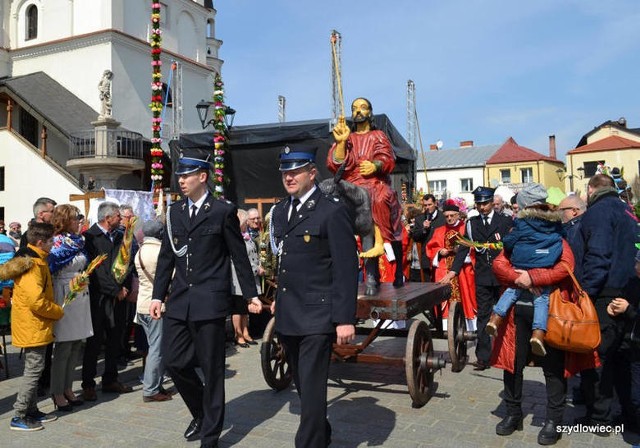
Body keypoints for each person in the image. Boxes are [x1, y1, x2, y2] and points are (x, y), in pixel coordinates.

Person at [150, 149, 260, 448]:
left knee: (212, 371)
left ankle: (210, 435)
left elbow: (239, 257)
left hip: (210, 301)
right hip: (180, 300)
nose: (181, 180)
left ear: (202, 177)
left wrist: (251, 294)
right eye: (179, 176)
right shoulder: (175, 212)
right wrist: (158, 295)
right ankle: (200, 412)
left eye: (186, 175)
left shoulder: (222, 211)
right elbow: (166, 259)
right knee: (174, 362)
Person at [271, 144, 359, 448]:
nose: (289, 176)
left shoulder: (331, 211)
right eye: (285, 171)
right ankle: (321, 432)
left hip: (317, 316)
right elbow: (285, 261)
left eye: (295, 171)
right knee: (303, 388)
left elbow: (347, 268)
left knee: (311, 387)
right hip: (289, 314)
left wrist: (345, 319)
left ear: (312, 173)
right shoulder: (282, 210)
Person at [490, 239, 593, 445]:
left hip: (552, 315)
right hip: (515, 315)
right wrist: (520, 278)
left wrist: (535, 277)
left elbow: (566, 266)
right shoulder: (518, 235)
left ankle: (553, 421)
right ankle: (513, 413)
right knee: (512, 366)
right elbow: (499, 264)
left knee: (553, 370)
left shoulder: (558, 239)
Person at [577, 173, 639, 433]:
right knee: (623, 356)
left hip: (606, 293)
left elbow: (598, 256)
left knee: (600, 356)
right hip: (630, 291)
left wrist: (586, 295)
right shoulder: (628, 211)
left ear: (591, 190)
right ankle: (630, 414)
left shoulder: (598, 212)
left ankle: (600, 418)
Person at [327, 97, 404, 288]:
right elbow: (333, 164)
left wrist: (375, 165)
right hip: (351, 182)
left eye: (362, 108)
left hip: (374, 181)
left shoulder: (378, 135)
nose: (358, 111)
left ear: (370, 111)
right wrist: (342, 143)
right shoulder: (348, 137)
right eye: (354, 108)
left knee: (380, 196)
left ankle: (381, 241)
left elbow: (387, 157)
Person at [486, 183, 565, 356]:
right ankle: (538, 333)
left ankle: (495, 317)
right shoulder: (556, 222)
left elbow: (508, 244)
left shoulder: (522, 222)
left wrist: (526, 277)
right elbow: (562, 240)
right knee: (542, 298)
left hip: (522, 262)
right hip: (546, 262)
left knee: (513, 290)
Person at [0, 222, 63, 431]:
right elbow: (36, 301)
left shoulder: (38, 261)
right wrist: (56, 311)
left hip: (36, 324)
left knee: (36, 368)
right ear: (39, 242)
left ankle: (31, 409)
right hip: (33, 324)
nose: (53, 244)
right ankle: (18, 415)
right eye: (50, 241)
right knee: (33, 370)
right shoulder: (33, 266)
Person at [445, 186, 513, 370]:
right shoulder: (472, 223)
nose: (482, 207)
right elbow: (464, 248)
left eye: (485, 203)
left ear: (492, 202)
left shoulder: (505, 221)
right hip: (483, 275)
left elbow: (511, 246)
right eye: (479, 204)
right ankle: (483, 357)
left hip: (502, 275)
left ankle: (506, 353)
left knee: (504, 314)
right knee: (483, 315)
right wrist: (453, 271)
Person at [81, 201, 132, 401]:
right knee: (94, 343)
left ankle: (110, 379)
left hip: (120, 298)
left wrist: (125, 286)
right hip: (99, 297)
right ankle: (88, 384)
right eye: (118, 216)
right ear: (107, 218)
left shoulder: (120, 236)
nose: (121, 219)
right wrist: (115, 289)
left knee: (115, 339)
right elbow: (96, 272)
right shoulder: (90, 238)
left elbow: (126, 262)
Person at [48, 204, 93, 411]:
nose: (80, 221)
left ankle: (68, 387)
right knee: (64, 346)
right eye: (76, 218)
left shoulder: (78, 241)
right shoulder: (57, 243)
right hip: (65, 292)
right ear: (65, 220)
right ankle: (57, 391)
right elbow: (51, 268)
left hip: (80, 292)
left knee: (77, 344)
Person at [20, 197, 57, 397]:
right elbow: (34, 297)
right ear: (41, 214)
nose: (55, 214)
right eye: (52, 211)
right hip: (37, 309)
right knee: (34, 365)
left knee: (41, 357)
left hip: (45, 299)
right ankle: (23, 410)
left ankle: (33, 404)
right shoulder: (31, 245)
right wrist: (56, 311)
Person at [134, 220, 172, 403]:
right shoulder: (160, 252)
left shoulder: (140, 250)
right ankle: (150, 389)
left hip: (142, 304)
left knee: (152, 347)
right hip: (156, 306)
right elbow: (171, 277)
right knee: (157, 349)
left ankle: (154, 383)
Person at [428, 199, 477, 330]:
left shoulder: (465, 228)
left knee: (465, 294)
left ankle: (469, 325)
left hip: (462, 268)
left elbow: (474, 247)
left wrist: (462, 251)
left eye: (452, 216)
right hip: (445, 266)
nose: (449, 218)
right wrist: (439, 251)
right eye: (446, 216)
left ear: (458, 215)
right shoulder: (439, 230)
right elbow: (430, 248)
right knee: (446, 295)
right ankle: (447, 326)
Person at [230, 209, 262, 347]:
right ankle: (238, 335)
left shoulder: (246, 235)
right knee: (237, 308)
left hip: (248, 276)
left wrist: (259, 265)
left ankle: (246, 332)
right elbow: (242, 259)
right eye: (245, 221)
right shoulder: (236, 237)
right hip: (238, 277)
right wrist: (256, 269)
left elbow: (253, 254)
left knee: (244, 308)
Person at [411, 194, 445, 282]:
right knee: (428, 285)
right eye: (425, 205)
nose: (427, 207)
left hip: (440, 256)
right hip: (426, 257)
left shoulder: (443, 217)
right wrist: (424, 229)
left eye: (429, 205)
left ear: (435, 204)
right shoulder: (420, 219)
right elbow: (415, 237)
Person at [558, 194, 586, 282]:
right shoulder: (588, 224)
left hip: (577, 284)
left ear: (574, 211)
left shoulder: (573, 230)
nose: (559, 214)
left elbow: (574, 261)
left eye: (561, 210)